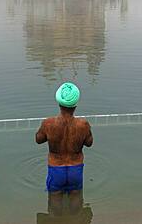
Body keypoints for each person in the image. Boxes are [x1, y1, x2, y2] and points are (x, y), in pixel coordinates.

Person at [35, 82, 93, 215]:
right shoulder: (83, 124)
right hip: (76, 169)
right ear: (75, 105)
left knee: (54, 204)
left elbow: (38, 140)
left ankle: (57, 220)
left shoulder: (48, 123)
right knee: (76, 203)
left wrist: (46, 130)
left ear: (59, 103)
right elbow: (89, 143)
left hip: (56, 169)